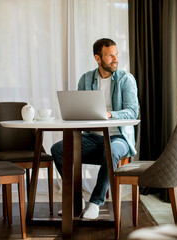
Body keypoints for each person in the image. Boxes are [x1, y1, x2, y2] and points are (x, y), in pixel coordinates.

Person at [51, 38, 139, 219]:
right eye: (110, 56)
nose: (115, 59)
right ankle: (76, 199)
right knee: (58, 149)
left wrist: (110, 114)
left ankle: (96, 202)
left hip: (118, 137)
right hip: (92, 137)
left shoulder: (126, 79)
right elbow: (79, 109)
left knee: (111, 150)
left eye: (116, 54)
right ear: (97, 58)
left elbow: (132, 112)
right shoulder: (86, 79)